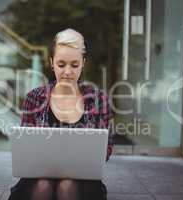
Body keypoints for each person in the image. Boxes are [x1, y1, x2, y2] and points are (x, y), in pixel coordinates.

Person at [8, 28, 114, 200]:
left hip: (83, 179)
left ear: (83, 63)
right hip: (39, 176)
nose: (67, 72)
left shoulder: (98, 99)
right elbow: (25, 144)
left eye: (74, 65)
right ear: (51, 62)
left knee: (67, 185)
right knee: (43, 185)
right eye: (61, 64)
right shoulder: (34, 98)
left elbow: (107, 147)